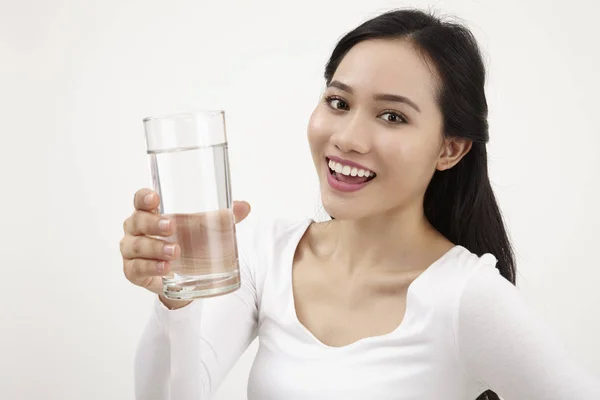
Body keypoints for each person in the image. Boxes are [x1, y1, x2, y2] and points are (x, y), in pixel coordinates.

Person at [120, 8, 600, 400]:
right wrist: (174, 294)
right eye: (338, 102)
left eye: (392, 116)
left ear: (449, 149)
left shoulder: (466, 296)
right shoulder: (266, 253)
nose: (347, 138)